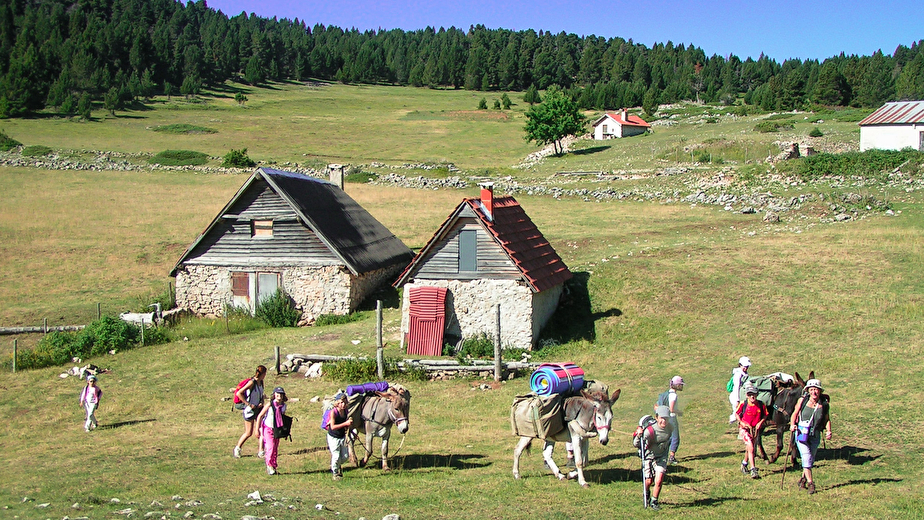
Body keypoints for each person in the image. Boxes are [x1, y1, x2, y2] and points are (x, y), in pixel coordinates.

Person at [789, 378, 832, 494]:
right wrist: (792, 424)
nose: (814, 392)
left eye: (816, 389)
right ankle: (811, 483)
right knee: (806, 456)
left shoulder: (824, 404)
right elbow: (795, 413)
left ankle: (803, 479)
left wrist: (828, 431)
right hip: (802, 434)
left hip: (815, 435)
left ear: (820, 391)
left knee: (810, 459)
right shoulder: (802, 401)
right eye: (811, 389)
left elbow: (827, 419)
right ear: (808, 390)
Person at [633, 405, 674, 510]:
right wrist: (639, 435)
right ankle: (646, 493)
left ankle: (654, 501)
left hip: (661, 457)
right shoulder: (649, 431)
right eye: (662, 418)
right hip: (649, 456)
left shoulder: (670, 428)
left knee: (659, 479)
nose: (664, 421)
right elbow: (636, 444)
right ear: (657, 418)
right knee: (649, 481)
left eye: (666, 418)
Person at [736, 382, 769, 479]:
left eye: (754, 394)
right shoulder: (744, 404)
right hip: (745, 429)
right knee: (751, 447)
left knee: (749, 448)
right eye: (750, 395)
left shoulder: (761, 404)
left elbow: (765, 415)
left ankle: (744, 464)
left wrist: (760, 423)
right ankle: (753, 469)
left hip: (755, 430)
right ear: (747, 395)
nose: (752, 396)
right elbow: (737, 413)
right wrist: (741, 422)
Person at [233, 365, 266, 458]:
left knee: (262, 430)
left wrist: (261, 402)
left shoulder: (261, 382)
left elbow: (261, 394)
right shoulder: (251, 382)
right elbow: (239, 393)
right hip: (250, 410)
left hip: (258, 409)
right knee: (248, 433)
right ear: (262, 374)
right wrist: (248, 404)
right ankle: (237, 448)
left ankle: (261, 451)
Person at [256, 386, 287, 475]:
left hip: (277, 429)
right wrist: (257, 429)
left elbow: (282, 418)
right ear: (274, 394)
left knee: (275, 448)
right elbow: (260, 416)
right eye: (277, 394)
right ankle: (269, 465)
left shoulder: (283, 406)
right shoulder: (270, 404)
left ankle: (273, 465)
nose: (279, 396)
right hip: (268, 428)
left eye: (281, 394)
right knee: (270, 447)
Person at [656, 376, 684, 464]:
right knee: (675, 437)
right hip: (671, 418)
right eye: (681, 385)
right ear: (677, 385)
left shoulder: (665, 394)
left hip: (665, 418)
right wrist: (679, 412)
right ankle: (672, 456)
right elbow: (671, 409)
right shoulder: (673, 395)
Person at [326, 394, 353, 481]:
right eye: (341, 402)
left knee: (345, 456)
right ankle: (335, 473)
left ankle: (336, 465)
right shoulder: (333, 412)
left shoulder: (345, 411)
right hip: (333, 437)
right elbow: (333, 427)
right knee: (336, 456)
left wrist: (351, 431)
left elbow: (346, 425)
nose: (343, 404)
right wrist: (345, 423)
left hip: (342, 436)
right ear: (337, 403)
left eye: (344, 402)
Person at [728, 356, 752, 423]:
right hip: (736, 397)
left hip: (741, 396)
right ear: (740, 365)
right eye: (744, 366)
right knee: (737, 414)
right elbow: (736, 387)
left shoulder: (744, 373)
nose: (746, 368)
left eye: (747, 366)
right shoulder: (738, 374)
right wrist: (737, 400)